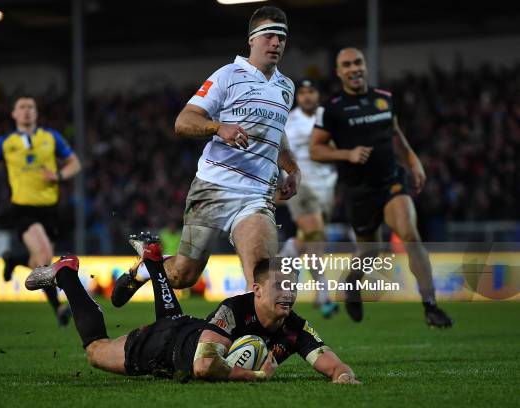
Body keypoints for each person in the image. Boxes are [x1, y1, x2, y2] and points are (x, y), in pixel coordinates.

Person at [112, 5, 301, 308]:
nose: (276, 43)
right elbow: (183, 121)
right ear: (251, 39)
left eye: (282, 37)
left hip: (256, 196)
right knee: (185, 275)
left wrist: (292, 169)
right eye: (269, 36)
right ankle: (148, 267)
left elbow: (277, 135)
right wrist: (218, 127)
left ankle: (256, 349)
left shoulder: (286, 87)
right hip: (213, 187)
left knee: (264, 279)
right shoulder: (227, 76)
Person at [24, 234, 360, 383]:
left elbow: (332, 365)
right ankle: (67, 272)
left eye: (292, 286)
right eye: (280, 287)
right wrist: (255, 376)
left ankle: (154, 262)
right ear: (256, 289)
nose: (288, 294)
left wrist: (344, 376)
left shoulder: (294, 326)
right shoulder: (234, 309)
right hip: (166, 348)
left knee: (174, 318)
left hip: (186, 328)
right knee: (96, 351)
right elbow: (203, 367)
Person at [309, 48, 452, 328]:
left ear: (365, 66)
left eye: (358, 62)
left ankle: (431, 305)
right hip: (359, 191)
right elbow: (315, 149)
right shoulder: (332, 108)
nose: (353, 68)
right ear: (339, 72)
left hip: (391, 181)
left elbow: (395, 134)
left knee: (410, 234)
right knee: (370, 252)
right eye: (346, 65)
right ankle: (352, 283)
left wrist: (413, 161)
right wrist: (346, 154)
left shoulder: (384, 99)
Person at [0, 95, 81, 326]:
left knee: (42, 262)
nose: (27, 111)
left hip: (50, 210)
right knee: (43, 257)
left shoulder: (50, 138)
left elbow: (74, 163)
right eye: (22, 107)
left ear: (36, 113)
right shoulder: (5, 142)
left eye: (31, 106)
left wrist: (58, 175)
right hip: (22, 210)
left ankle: (14, 260)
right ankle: (59, 308)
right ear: (14, 114)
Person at [279, 79, 339, 318]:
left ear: (318, 95)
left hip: (327, 187)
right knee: (315, 233)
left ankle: (278, 262)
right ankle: (324, 294)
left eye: (310, 91)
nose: (305, 96)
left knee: (308, 239)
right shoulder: (289, 121)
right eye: (302, 92)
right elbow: (281, 151)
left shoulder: (329, 117)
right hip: (301, 185)